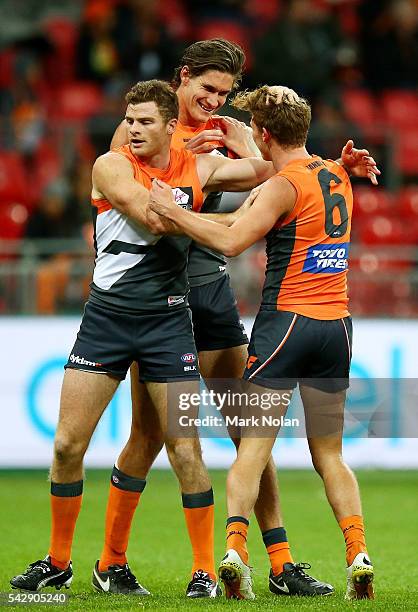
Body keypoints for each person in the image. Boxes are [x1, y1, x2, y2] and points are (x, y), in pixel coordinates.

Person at [98, 38, 377, 598]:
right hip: (157, 301)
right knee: (152, 434)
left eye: (226, 94)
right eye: (207, 89)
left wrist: (311, 160)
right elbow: (125, 214)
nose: (215, 103)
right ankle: (112, 563)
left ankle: (279, 563)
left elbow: (275, 171)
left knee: (249, 429)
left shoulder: (226, 132)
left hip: (211, 295)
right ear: (181, 78)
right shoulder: (143, 129)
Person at [9, 78, 278, 596]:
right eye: (129, 120)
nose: (131, 130)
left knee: (185, 450)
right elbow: (148, 216)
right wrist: (228, 221)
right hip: (105, 321)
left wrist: (239, 136)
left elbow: (273, 172)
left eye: (144, 122)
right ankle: (58, 560)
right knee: (67, 444)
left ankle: (203, 572)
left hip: (168, 325)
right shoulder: (110, 166)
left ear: (169, 127)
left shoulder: (200, 166)